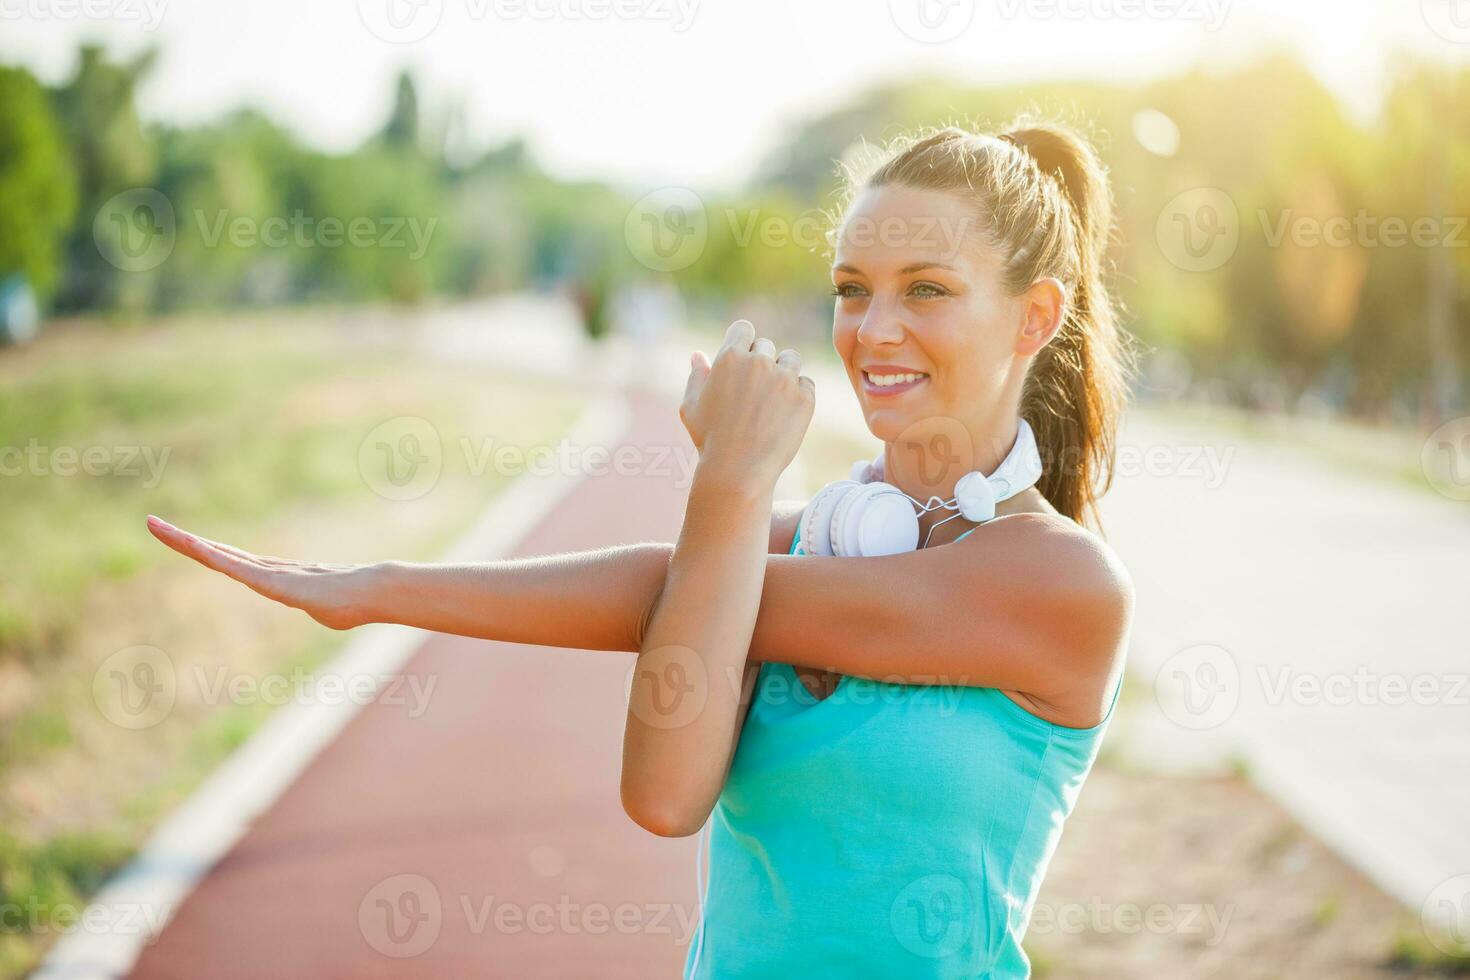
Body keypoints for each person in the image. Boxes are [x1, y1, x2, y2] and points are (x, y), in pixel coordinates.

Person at [146, 117, 1135, 978]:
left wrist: (734, 484)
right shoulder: (806, 543)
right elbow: (663, 795)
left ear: (1034, 317)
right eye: (850, 287)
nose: (873, 330)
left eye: (926, 289)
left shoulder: (1060, 583)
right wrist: (380, 584)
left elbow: (677, 589)